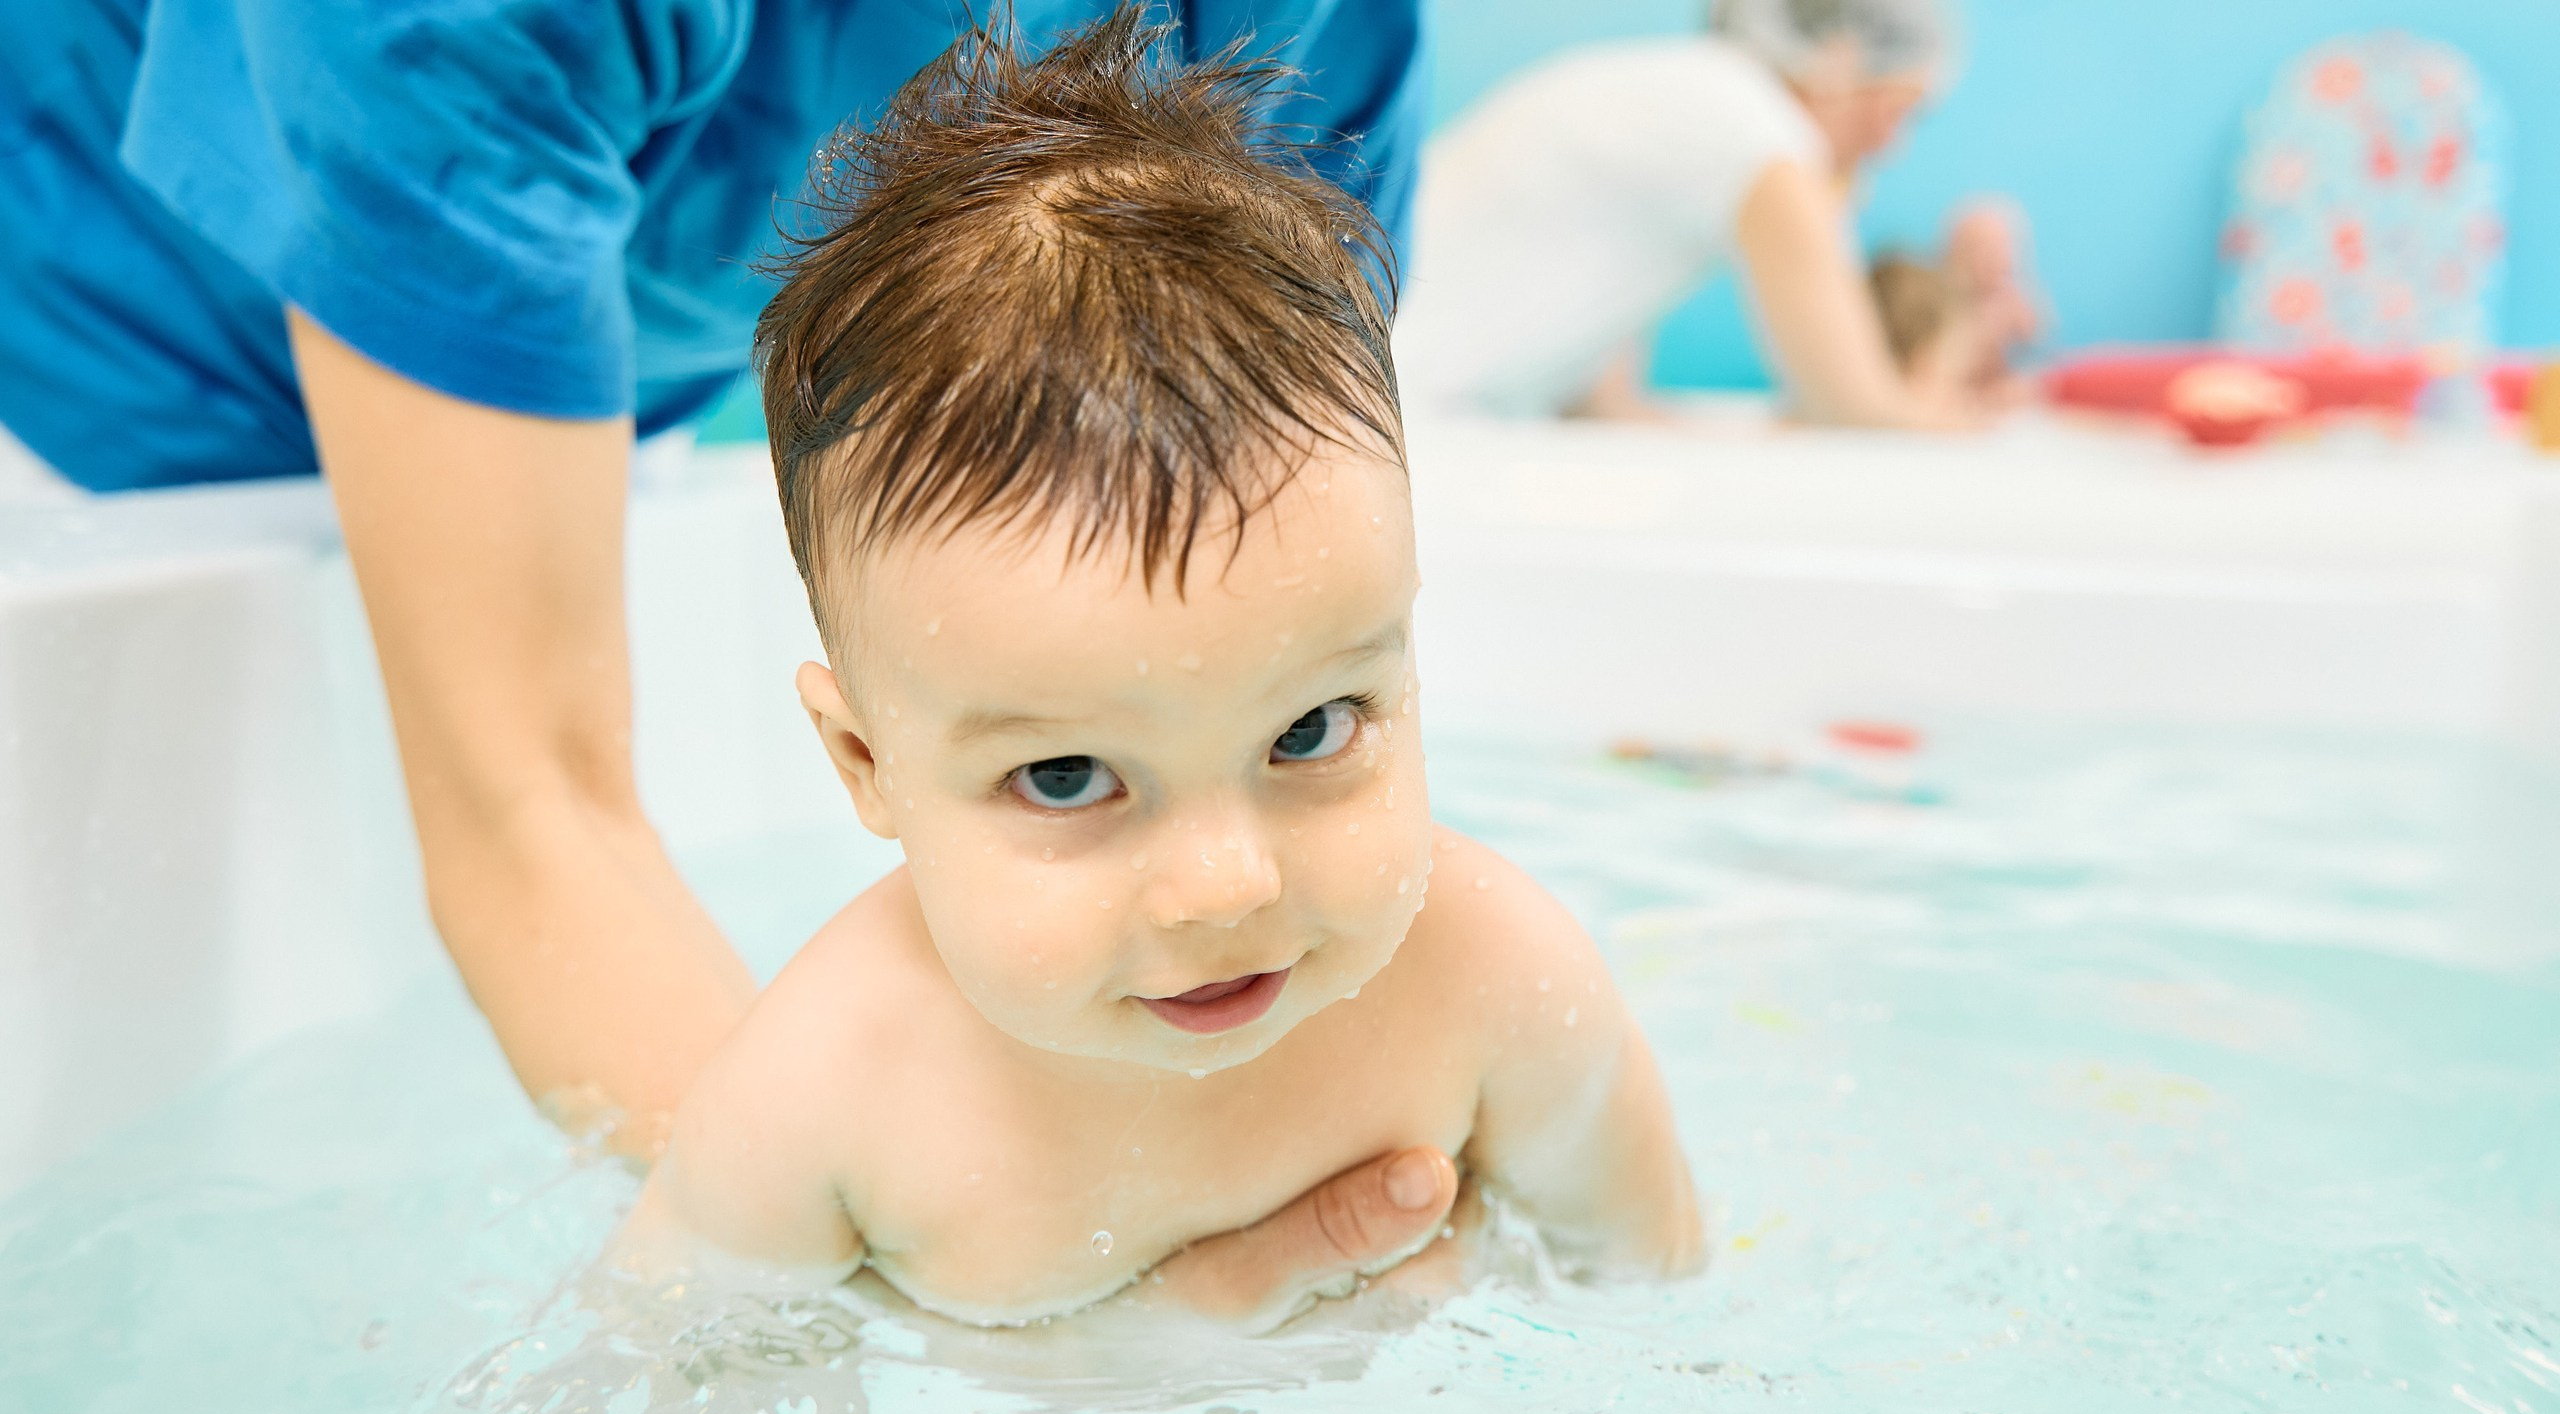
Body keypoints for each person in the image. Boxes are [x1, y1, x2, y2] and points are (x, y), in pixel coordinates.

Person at [0, 0, 1440, 1319]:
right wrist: (973, 1310)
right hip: (113, 377)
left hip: (601, 313)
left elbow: (1284, 631)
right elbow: (533, 809)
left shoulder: (1300, 19)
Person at [615, 12, 1706, 1328]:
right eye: (1068, 776)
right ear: (866, 763)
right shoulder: (831, 1089)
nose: (1225, 886)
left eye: (1310, 730)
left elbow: (1661, 1314)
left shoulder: (1494, 976)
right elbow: (676, 1394)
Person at [1394, 0, 2030, 428]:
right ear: (1840, 59)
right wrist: (1986, 411)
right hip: (1401, 414)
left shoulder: (1688, 94)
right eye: (1900, 109)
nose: (1892, 146)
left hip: (1368, 398)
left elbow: (1600, 398)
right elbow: (1855, 403)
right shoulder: (1761, 131)